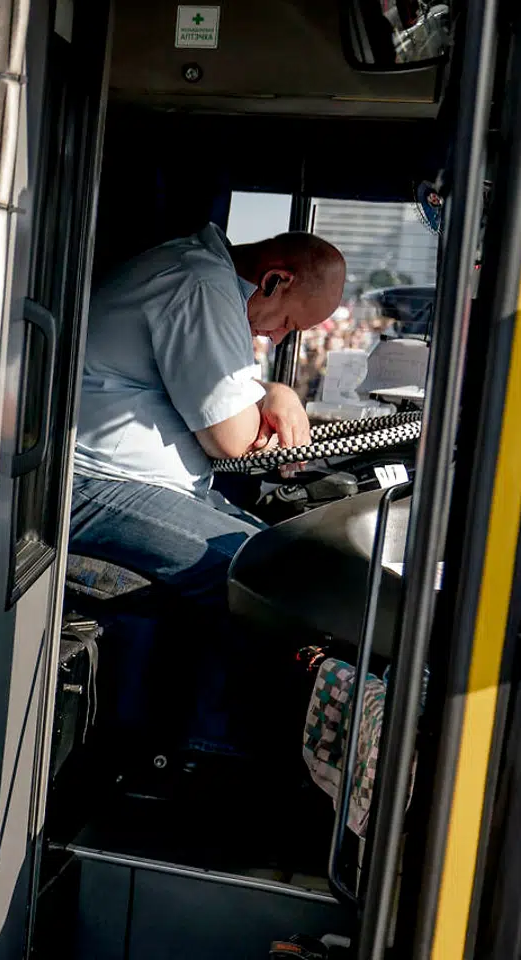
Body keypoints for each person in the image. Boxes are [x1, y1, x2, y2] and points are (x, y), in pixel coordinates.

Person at [68, 225, 344, 755]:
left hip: (139, 481)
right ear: (273, 281)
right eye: (287, 322)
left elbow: (230, 393)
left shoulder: (202, 276)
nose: (278, 338)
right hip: (93, 484)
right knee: (261, 578)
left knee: (282, 558)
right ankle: (221, 751)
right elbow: (231, 438)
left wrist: (274, 391)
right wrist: (267, 403)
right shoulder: (200, 286)